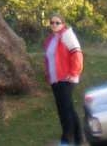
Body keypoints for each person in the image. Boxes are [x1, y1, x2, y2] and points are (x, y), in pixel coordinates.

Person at [44, 13, 84, 146]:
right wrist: (48, 75)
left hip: (66, 79)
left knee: (65, 111)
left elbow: (77, 53)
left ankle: (66, 141)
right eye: (52, 22)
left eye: (57, 22)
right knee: (68, 109)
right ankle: (79, 139)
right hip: (55, 80)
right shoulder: (51, 39)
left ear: (63, 23)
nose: (54, 25)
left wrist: (73, 72)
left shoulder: (67, 34)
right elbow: (49, 59)